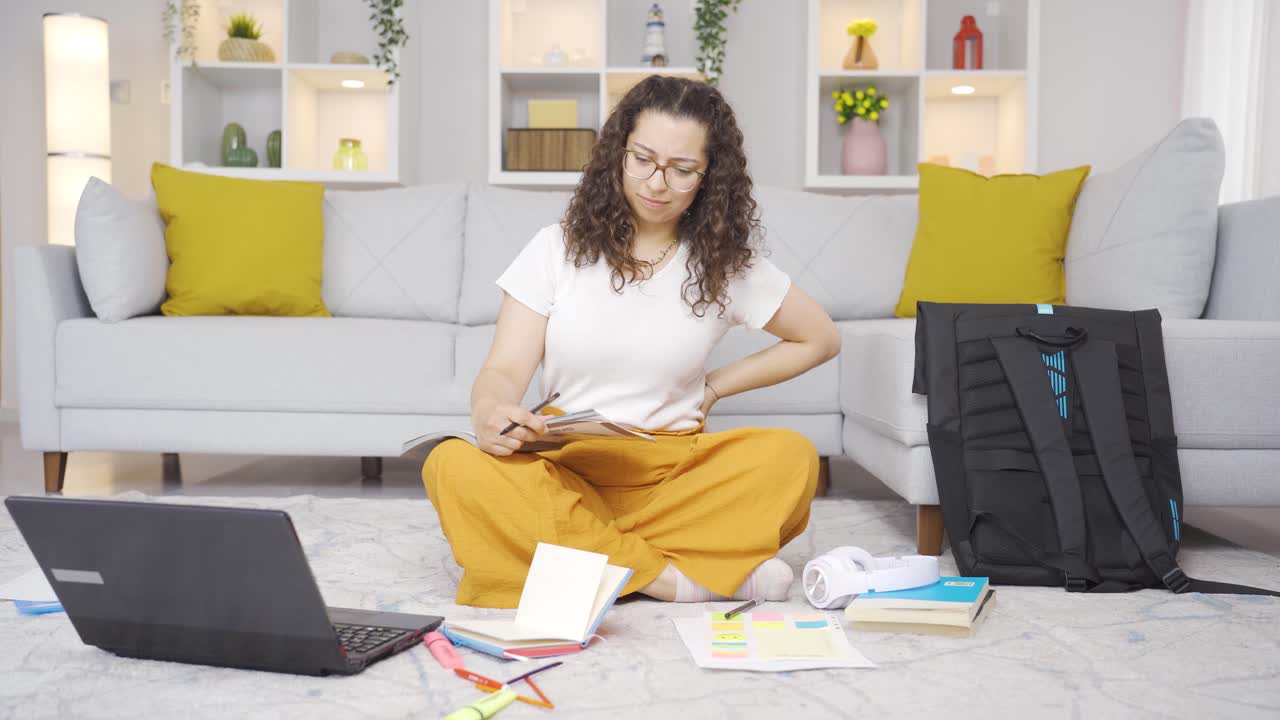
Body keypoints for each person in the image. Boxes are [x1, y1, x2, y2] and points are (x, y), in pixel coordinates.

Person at [423, 75, 841, 608]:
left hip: (671, 472)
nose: (657, 182)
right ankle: (667, 579)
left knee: (790, 459)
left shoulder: (728, 266)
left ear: (711, 176)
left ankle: (571, 559)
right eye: (642, 159)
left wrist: (712, 390)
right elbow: (504, 369)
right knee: (452, 466)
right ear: (617, 153)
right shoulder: (555, 248)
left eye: (682, 169)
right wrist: (489, 410)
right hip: (565, 466)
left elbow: (820, 338)